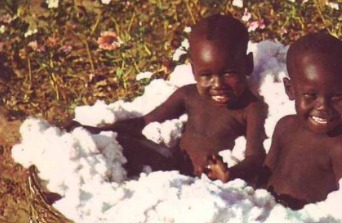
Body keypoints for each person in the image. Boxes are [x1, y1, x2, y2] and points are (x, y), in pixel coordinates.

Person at [78, 14, 267, 183]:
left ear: (247, 64)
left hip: (206, 182)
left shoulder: (250, 108)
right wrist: (101, 131)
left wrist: (230, 174)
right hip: (171, 164)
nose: (217, 84)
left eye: (228, 73)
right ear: (193, 70)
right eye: (206, 75)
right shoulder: (188, 95)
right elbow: (144, 122)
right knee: (123, 143)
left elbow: (255, 158)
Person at [260, 31, 342, 209]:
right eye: (311, 95)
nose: (323, 106)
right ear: (290, 90)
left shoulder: (340, 145)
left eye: (336, 96)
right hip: (265, 212)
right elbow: (265, 172)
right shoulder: (284, 127)